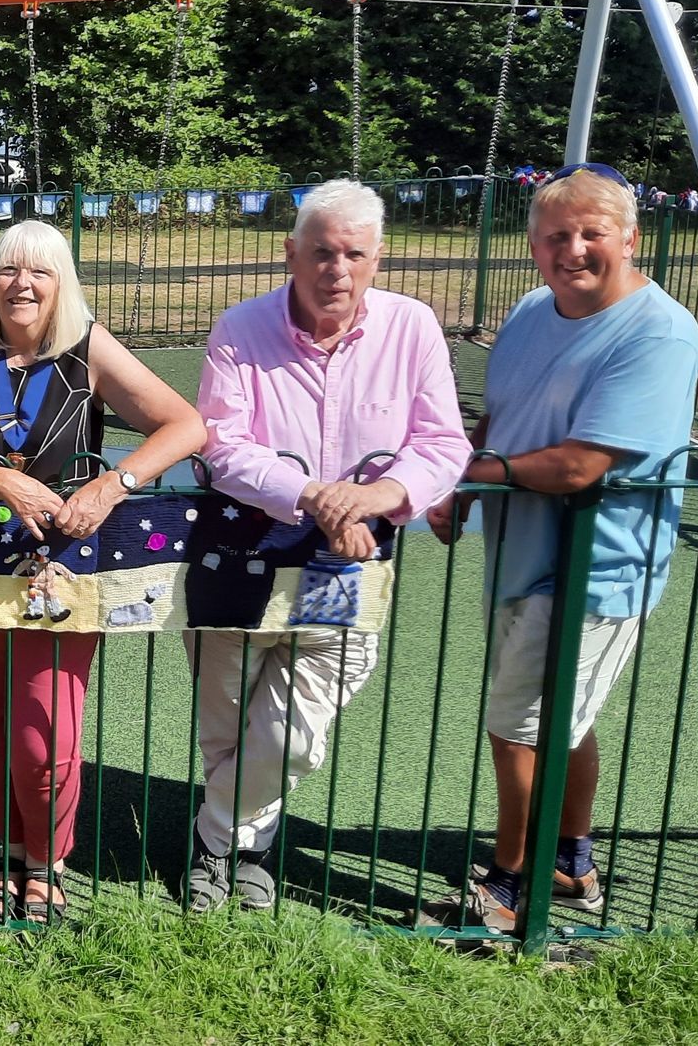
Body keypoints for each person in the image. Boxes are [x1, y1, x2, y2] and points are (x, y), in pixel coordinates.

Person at [429, 162, 698, 933]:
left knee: (521, 721)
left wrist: (472, 473)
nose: (573, 249)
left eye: (592, 234)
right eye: (556, 235)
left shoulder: (661, 331)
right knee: (564, 717)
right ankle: (573, 864)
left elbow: (584, 463)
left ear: (632, 237)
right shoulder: (529, 310)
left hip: (597, 561)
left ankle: (513, 881)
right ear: (534, 244)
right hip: (519, 547)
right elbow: (500, 414)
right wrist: (461, 480)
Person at [0, 220, 204, 921]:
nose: (22, 284)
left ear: (62, 282)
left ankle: (48, 860)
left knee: (46, 733)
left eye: (39, 271)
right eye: (9, 270)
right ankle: (11, 852)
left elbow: (184, 424)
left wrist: (114, 484)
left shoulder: (87, 350)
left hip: (57, 577)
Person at [189, 180, 471, 911]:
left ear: (378, 259)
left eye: (353, 254)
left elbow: (442, 443)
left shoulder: (413, 328)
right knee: (227, 726)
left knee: (295, 736)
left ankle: (212, 838)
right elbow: (225, 447)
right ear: (291, 253)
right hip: (243, 561)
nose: (336, 269)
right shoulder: (240, 328)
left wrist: (373, 499)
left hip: (353, 562)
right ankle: (246, 855)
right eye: (321, 252)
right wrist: (317, 494)